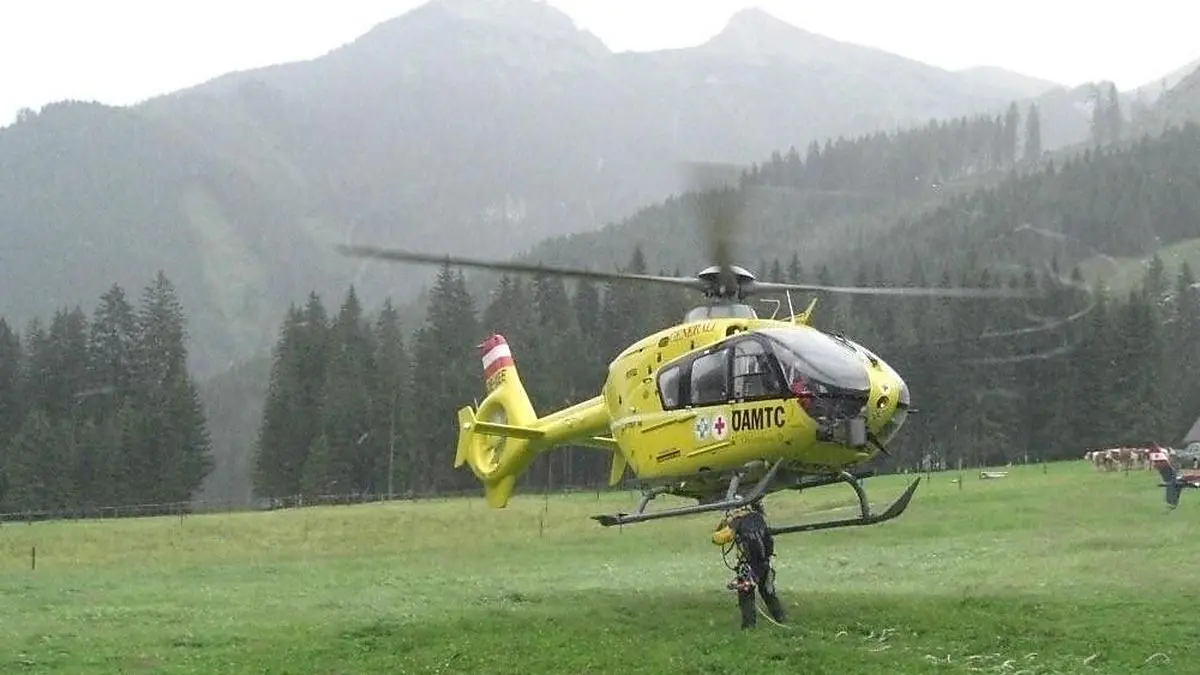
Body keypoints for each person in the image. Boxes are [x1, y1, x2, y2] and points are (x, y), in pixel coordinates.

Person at [712, 500, 787, 629]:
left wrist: (724, 524)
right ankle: (780, 617)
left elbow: (717, 539)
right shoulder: (759, 517)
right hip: (764, 563)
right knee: (767, 592)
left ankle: (749, 626)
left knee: (745, 595)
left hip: (748, 566)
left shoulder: (737, 521)